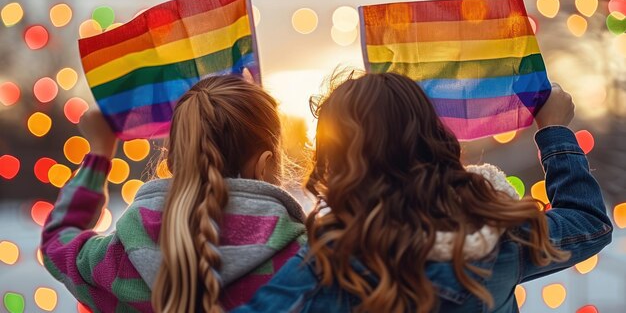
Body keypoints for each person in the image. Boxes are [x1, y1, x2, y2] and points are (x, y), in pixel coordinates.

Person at [233, 72, 613, 313]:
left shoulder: (335, 261)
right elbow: (588, 222)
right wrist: (555, 131)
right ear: (433, 135)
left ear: (338, 162)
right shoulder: (499, 231)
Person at [41, 75, 307, 313]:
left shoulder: (121, 259)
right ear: (264, 165)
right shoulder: (310, 261)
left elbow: (57, 241)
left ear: (171, 163)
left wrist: (101, 150)